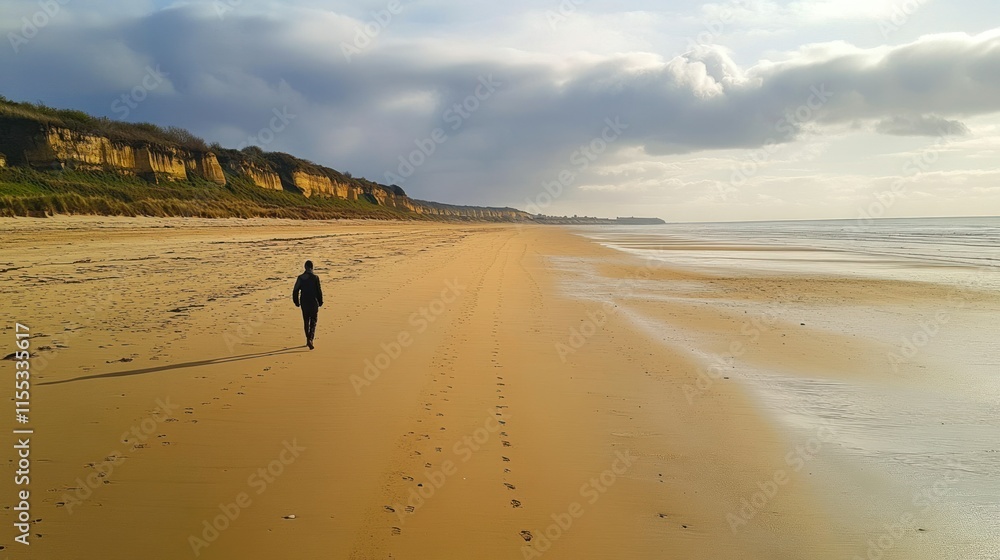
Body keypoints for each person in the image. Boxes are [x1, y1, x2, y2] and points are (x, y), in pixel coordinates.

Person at [292, 260, 323, 349]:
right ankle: (310, 339)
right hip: (313, 302)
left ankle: (308, 339)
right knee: (313, 321)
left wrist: (296, 301)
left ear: (305, 267)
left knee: (306, 321)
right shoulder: (315, 278)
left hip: (304, 302)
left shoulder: (301, 278)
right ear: (312, 268)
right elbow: (319, 291)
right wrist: (320, 301)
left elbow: (295, 290)